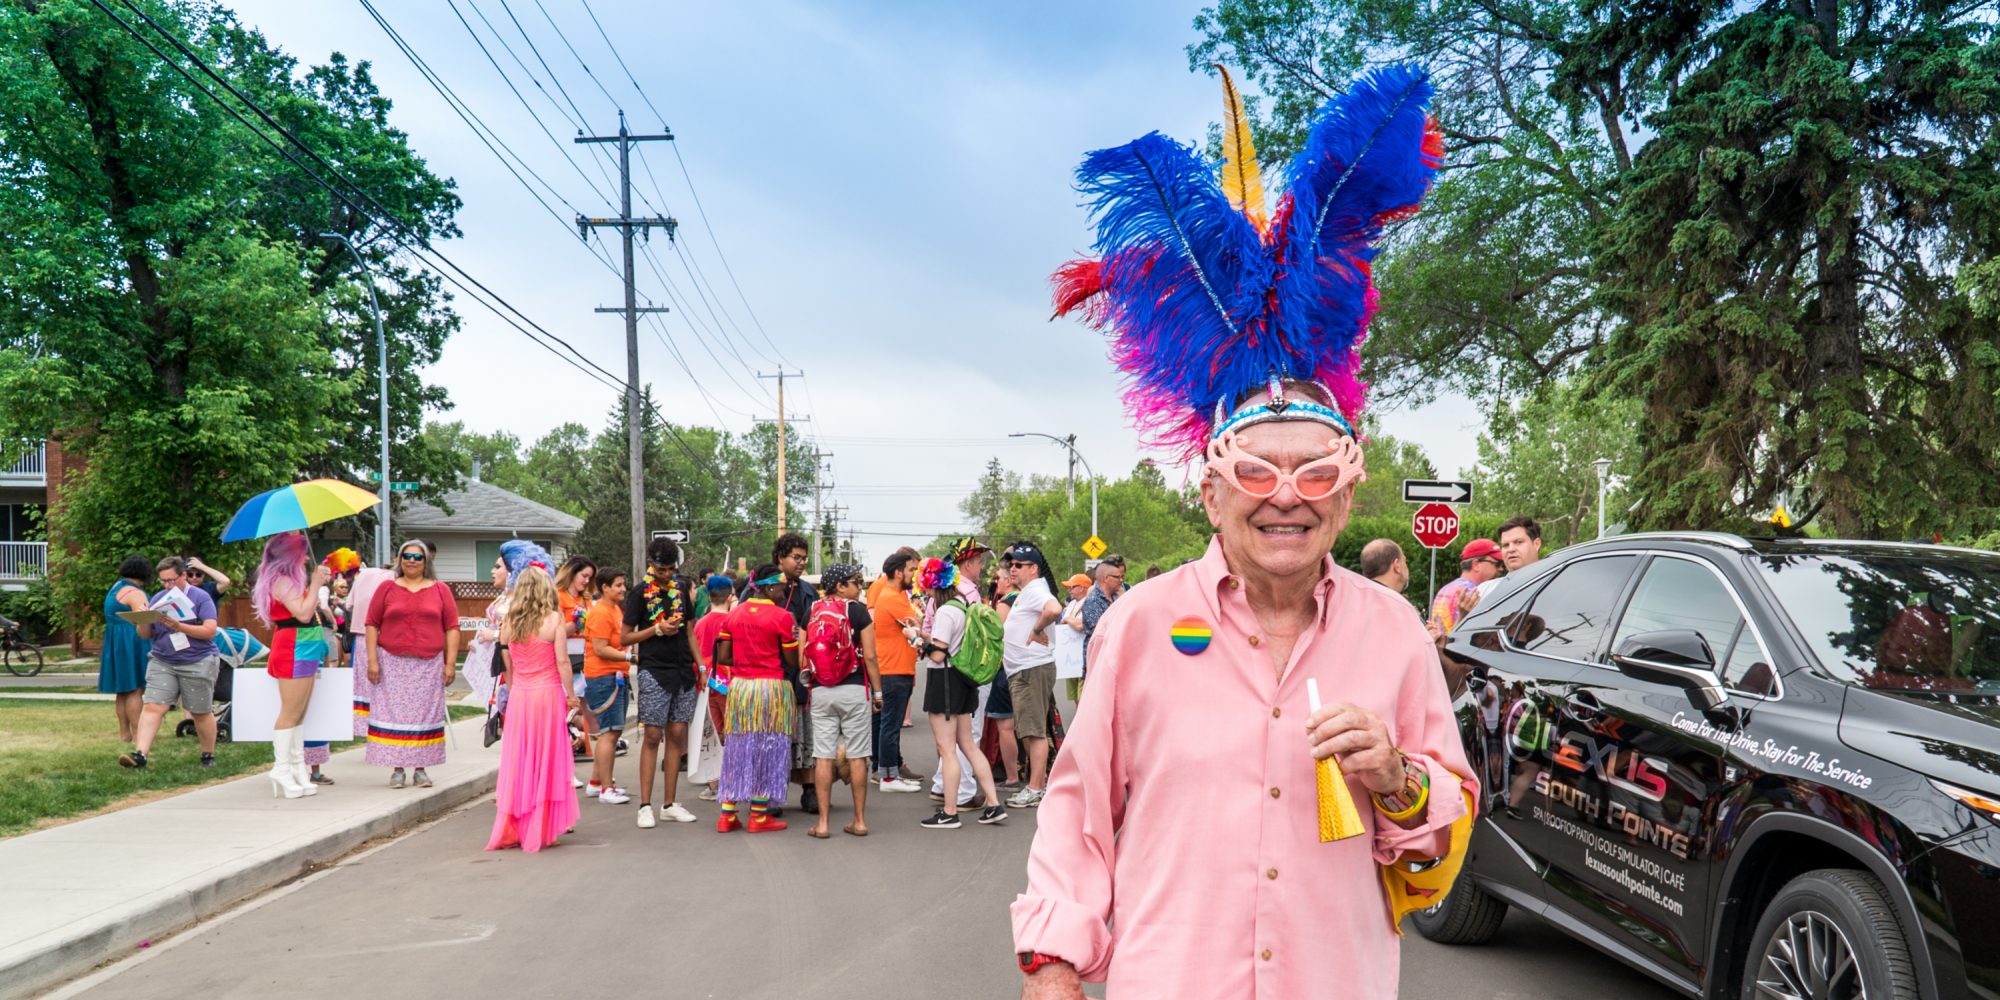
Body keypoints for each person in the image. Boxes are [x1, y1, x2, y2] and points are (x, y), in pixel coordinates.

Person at [1019, 65, 1473, 996]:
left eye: (1315, 472)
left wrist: (1397, 777)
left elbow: (1442, 836)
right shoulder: (1140, 625)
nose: (1286, 498)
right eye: (1258, 472)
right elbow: (1078, 810)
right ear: (1212, 493)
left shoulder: (1394, 633)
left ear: (1346, 496)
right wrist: (1057, 961)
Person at [486, 565, 583, 853]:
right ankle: (541, 826)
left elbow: (509, 665)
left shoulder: (510, 622)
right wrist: (571, 696)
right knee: (546, 758)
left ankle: (517, 824)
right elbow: (563, 662)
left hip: (521, 696)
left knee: (521, 759)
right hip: (547, 693)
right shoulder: (554, 619)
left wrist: (515, 690)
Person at [915, 558, 1006, 829]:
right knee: (968, 745)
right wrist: (924, 636)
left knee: (948, 749)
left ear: (932, 585)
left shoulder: (945, 612)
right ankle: (993, 803)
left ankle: (949, 811)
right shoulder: (964, 605)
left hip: (944, 679)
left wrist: (914, 638)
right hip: (964, 680)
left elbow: (940, 651)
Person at [363, 538, 457, 788]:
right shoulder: (387, 588)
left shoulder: (440, 590)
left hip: (428, 665)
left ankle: (421, 769)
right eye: (407, 556)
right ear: (399, 559)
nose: (411, 561)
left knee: (424, 717)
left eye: (417, 557)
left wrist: (450, 663)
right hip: (392, 663)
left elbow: (452, 628)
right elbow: (372, 624)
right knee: (394, 717)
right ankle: (397, 770)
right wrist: (372, 660)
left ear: (426, 561)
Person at [713, 564, 800, 833]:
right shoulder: (782, 617)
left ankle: (727, 815)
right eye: (782, 587)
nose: (784, 591)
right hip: (770, 689)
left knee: (737, 748)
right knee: (767, 749)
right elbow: (791, 661)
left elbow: (725, 657)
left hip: (740, 688)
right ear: (770, 587)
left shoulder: (733, 615)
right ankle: (759, 816)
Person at [118, 555, 223, 771]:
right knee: (153, 706)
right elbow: (146, 635)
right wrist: (142, 620)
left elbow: (209, 631)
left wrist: (180, 626)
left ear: (183, 575)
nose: (167, 585)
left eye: (171, 580)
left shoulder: (201, 597)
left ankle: (207, 754)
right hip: (163, 659)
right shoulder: (158, 598)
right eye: (163, 581)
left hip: (197, 659)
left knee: (200, 711)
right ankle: (140, 755)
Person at [624, 539, 701, 828]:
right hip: (654, 669)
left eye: (671, 569)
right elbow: (623, 638)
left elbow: (691, 632)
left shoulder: (681, 588)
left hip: (683, 668)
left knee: (678, 733)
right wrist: (655, 629)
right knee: (653, 734)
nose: (666, 574)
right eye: (661, 569)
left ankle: (669, 803)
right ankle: (645, 805)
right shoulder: (639, 593)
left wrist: (701, 665)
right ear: (650, 565)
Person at [803, 563, 882, 838]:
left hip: (821, 690)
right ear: (839, 586)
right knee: (858, 755)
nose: (859, 586)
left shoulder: (811, 611)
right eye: (855, 581)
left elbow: (805, 655)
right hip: (853, 688)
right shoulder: (857, 611)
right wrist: (878, 692)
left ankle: (823, 824)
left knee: (823, 758)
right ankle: (859, 821)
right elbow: (871, 656)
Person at [928, 537, 995, 809]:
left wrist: (921, 642)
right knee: (967, 740)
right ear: (966, 563)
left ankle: (950, 795)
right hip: (964, 671)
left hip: (949, 673)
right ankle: (966, 794)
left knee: (953, 744)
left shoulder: (949, 603)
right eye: (979, 561)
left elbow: (937, 647)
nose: (981, 567)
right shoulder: (967, 596)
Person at [1000, 541, 1062, 809]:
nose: (1012, 569)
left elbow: (1054, 609)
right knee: (1029, 730)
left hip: (1030, 670)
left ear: (1033, 569)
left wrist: (1037, 629)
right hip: (1025, 670)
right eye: (1011, 565)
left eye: (1019, 565)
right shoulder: (1030, 590)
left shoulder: (1036, 589)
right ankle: (1037, 784)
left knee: (1033, 732)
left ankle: (1036, 787)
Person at [770, 532, 819, 815]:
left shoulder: (808, 592)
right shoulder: (760, 588)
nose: (801, 563)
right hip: (771, 676)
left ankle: (810, 790)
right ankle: (773, 792)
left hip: (801, 676)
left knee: (806, 733)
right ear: (780, 558)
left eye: (804, 558)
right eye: (796, 558)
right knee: (776, 736)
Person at [868, 551, 923, 791]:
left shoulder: (890, 594)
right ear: (898, 572)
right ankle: (889, 777)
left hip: (889, 666)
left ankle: (885, 771)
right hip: (895, 668)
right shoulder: (895, 597)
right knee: (890, 724)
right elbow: (917, 625)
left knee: (884, 722)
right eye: (911, 570)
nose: (914, 575)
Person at [692, 573, 736, 802]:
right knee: (732, 732)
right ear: (730, 597)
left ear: (709, 596)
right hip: (730, 683)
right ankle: (732, 780)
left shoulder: (700, 623)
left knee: (712, 733)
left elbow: (696, 655)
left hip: (707, 684)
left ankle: (714, 782)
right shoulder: (733, 620)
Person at [99, 555, 153, 744]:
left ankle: (124, 733)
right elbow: (144, 619)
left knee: (122, 690)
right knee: (135, 688)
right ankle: (139, 733)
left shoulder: (116, 588)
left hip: (116, 641)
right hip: (132, 640)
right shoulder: (136, 592)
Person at [1427, 537, 1502, 635]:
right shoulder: (1474, 593)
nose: (1501, 569)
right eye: (1497, 564)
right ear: (1476, 565)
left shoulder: (1445, 589)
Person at [1077, 555, 1124, 681]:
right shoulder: (1093, 601)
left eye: (1122, 577)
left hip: (1115, 660)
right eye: (1118, 577)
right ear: (1106, 578)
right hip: (1098, 662)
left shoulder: (1117, 598)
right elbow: (1100, 633)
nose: (1121, 580)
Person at [1478, 515, 1545, 601]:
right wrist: (1464, 614)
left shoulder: (1554, 585)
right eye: (1506, 545)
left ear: (1536, 544)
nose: (1511, 549)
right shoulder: (1485, 591)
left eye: (1518, 542)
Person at [1053, 573, 1091, 702]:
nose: (1069, 590)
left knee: (1083, 696)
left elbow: (1081, 626)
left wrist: (1068, 619)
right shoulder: (1072, 604)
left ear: (1082, 588)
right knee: (1075, 696)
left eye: (1072, 587)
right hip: (1069, 659)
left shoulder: (1089, 602)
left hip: (1082, 657)